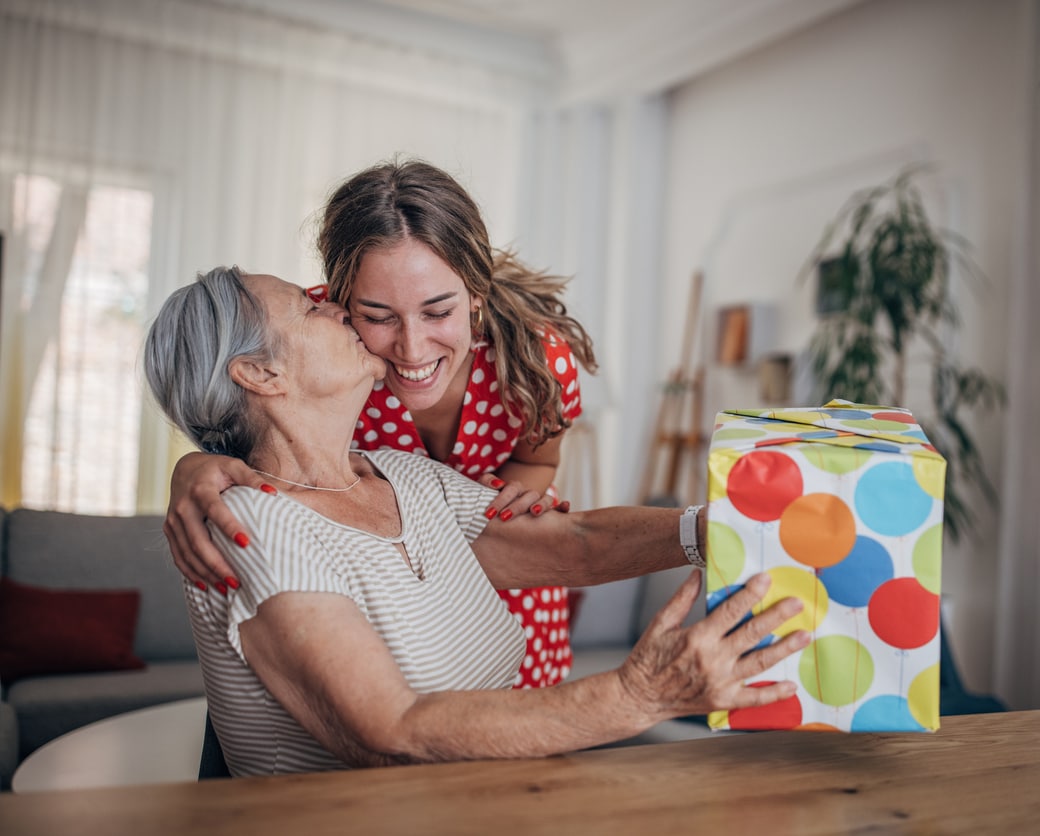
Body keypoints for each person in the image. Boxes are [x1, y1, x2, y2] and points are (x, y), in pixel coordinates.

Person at [142, 266, 809, 775]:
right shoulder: (253, 523)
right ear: (258, 372)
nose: (335, 305)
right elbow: (393, 729)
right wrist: (641, 695)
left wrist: (713, 529)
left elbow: (569, 546)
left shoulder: (398, 473)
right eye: (307, 307)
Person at [164, 159, 597, 688]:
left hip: (512, 569)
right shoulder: (319, 339)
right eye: (377, 316)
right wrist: (197, 461)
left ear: (476, 297)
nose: (412, 349)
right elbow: (244, 400)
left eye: (438, 312)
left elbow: (538, 459)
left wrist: (496, 498)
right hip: (388, 587)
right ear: (339, 303)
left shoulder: (537, 361)